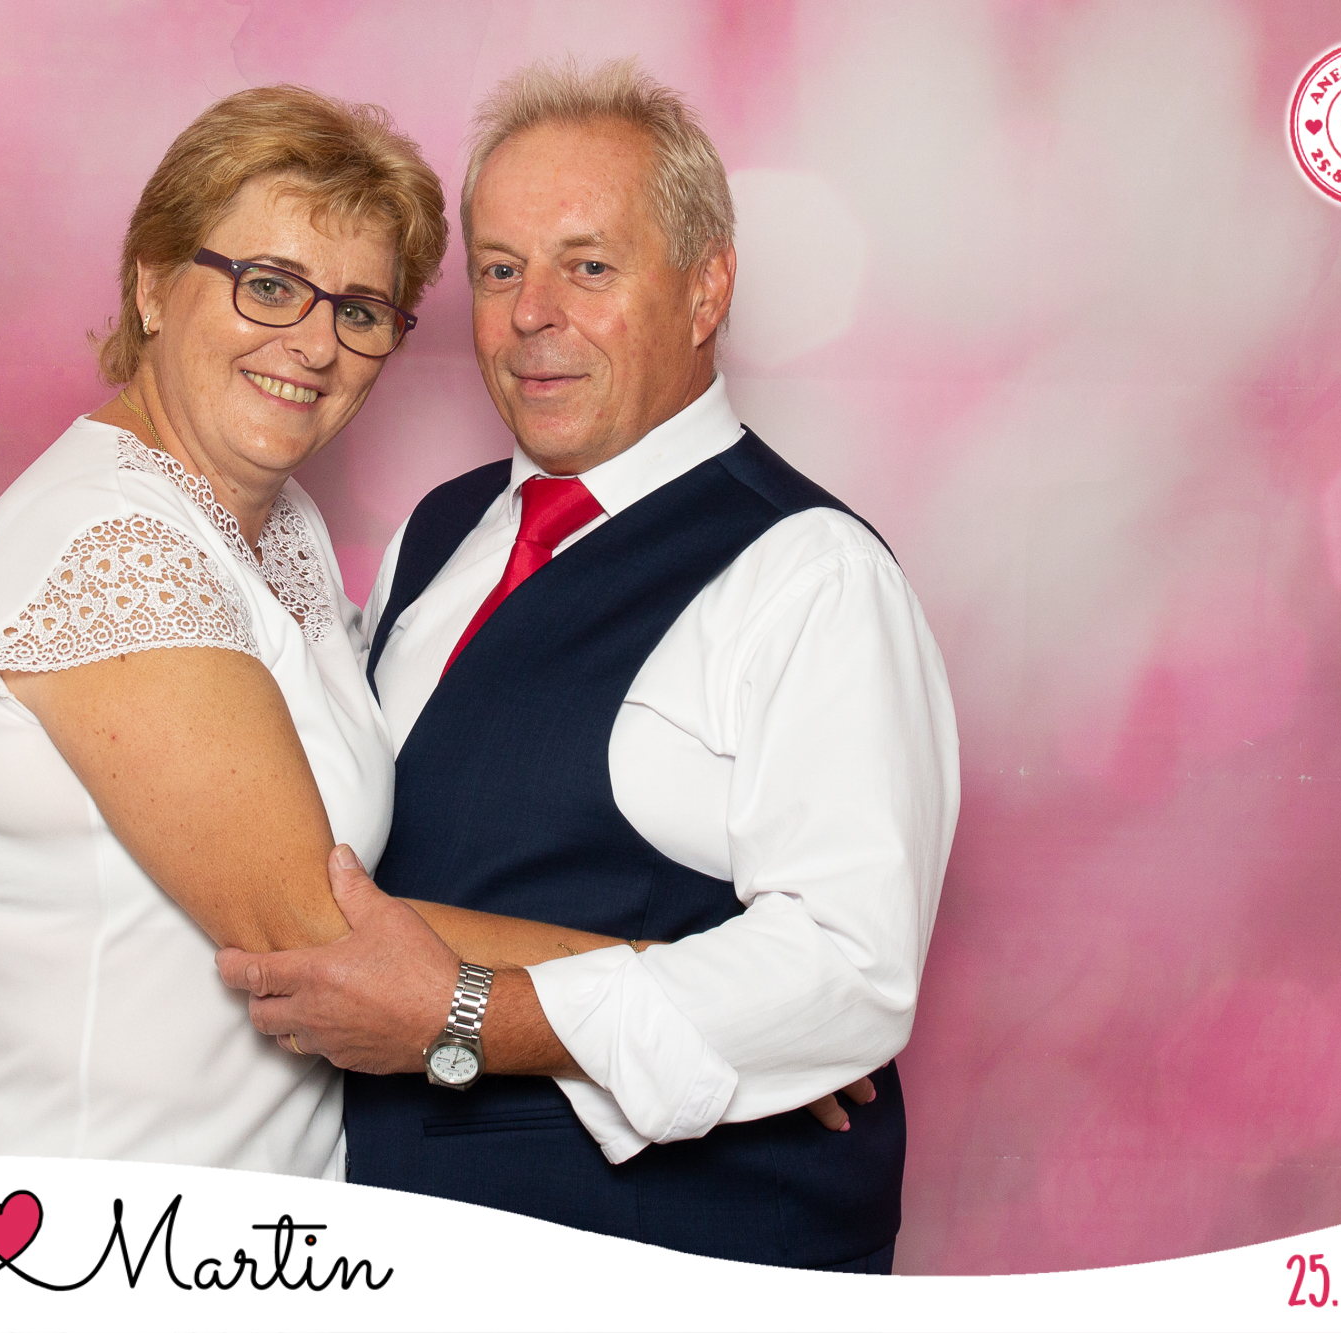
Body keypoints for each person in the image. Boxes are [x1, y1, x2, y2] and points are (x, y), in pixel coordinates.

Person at [217, 60, 960, 1270]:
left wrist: (468, 1013)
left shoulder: (809, 576)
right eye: (499, 269)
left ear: (706, 287)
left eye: (588, 266)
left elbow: (845, 971)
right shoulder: (436, 534)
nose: (530, 315)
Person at [0, 86, 631, 1176]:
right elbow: (331, 949)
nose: (314, 344)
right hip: (89, 1228)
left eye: (360, 310)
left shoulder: (272, 523)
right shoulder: (113, 546)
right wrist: (690, 993)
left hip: (253, 1233)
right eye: (270, 286)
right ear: (153, 282)